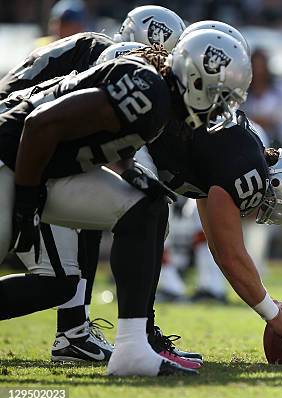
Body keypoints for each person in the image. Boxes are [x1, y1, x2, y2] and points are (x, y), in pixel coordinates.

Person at [0, 29, 250, 377]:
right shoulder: (148, 89)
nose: (219, 108)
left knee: (145, 207)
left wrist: (130, 171)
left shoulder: (160, 101)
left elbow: (98, 137)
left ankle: (133, 348)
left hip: (38, 170)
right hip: (11, 157)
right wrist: (26, 203)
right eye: (219, 96)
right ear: (195, 79)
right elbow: (40, 124)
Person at [0, 5, 186, 364]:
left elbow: (91, 134)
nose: (157, 66)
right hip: (18, 152)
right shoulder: (110, 62)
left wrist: (127, 167)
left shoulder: (118, 69)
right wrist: (26, 201)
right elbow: (47, 124)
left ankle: (78, 332)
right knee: (58, 267)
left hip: (34, 156)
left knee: (60, 275)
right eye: (152, 55)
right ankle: (74, 331)